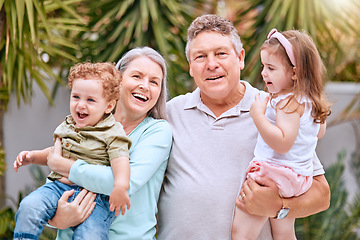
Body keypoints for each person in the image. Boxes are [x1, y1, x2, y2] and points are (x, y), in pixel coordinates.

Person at [157, 14, 330, 240]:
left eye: (221, 53)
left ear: (240, 58)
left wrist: (279, 206)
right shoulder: (169, 114)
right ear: (191, 67)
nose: (211, 64)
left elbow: (322, 194)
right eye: (200, 56)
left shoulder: (274, 109)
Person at [44, 47, 172, 240]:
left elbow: (124, 184)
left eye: (154, 82)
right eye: (137, 76)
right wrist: (56, 219)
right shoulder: (85, 122)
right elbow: (54, 185)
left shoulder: (157, 132)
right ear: (116, 80)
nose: (145, 85)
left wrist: (64, 166)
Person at [13, 62, 132, 239]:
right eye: (76, 97)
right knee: (30, 206)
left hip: (95, 199)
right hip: (57, 188)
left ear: (108, 106)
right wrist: (32, 157)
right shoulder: (68, 125)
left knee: (90, 234)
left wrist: (121, 187)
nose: (81, 105)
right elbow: (54, 153)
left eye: (90, 100)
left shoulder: (112, 131)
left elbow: (120, 160)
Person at [231, 28, 331, 240]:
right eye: (263, 66)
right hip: (297, 178)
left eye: (271, 68)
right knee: (284, 233)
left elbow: (283, 143)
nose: (264, 73)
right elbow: (319, 133)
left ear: (294, 72)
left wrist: (258, 115)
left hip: (273, 174)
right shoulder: (310, 101)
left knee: (241, 233)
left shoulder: (286, 103)